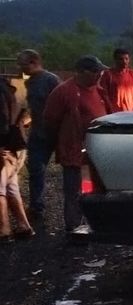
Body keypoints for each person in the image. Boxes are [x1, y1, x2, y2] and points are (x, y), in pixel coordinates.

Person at [43, 56, 113, 236]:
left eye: (100, 71)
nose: (99, 75)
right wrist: (63, 141)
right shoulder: (64, 91)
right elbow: (50, 121)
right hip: (74, 152)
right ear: (82, 72)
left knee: (93, 189)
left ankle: (95, 223)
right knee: (74, 191)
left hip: (97, 153)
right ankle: (74, 227)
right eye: (96, 71)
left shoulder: (99, 90)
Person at [15, 49, 61, 220]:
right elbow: (31, 108)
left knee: (69, 169)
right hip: (37, 133)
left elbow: (61, 104)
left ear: (34, 62)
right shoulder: (30, 83)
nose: (20, 68)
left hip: (53, 132)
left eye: (23, 64)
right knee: (35, 169)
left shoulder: (51, 80)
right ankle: (37, 206)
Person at [1, 76, 34, 241]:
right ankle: (24, 227)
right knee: (11, 188)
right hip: (18, 144)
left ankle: (4, 231)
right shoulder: (9, 89)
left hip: (5, 147)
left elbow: (2, 120)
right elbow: (25, 115)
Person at [98, 47, 133, 112]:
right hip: (115, 113)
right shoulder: (108, 75)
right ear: (115, 60)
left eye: (126, 59)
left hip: (131, 112)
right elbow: (104, 96)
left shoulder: (132, 74)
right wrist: (110, 110)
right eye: (121, 59)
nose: (124, 61)